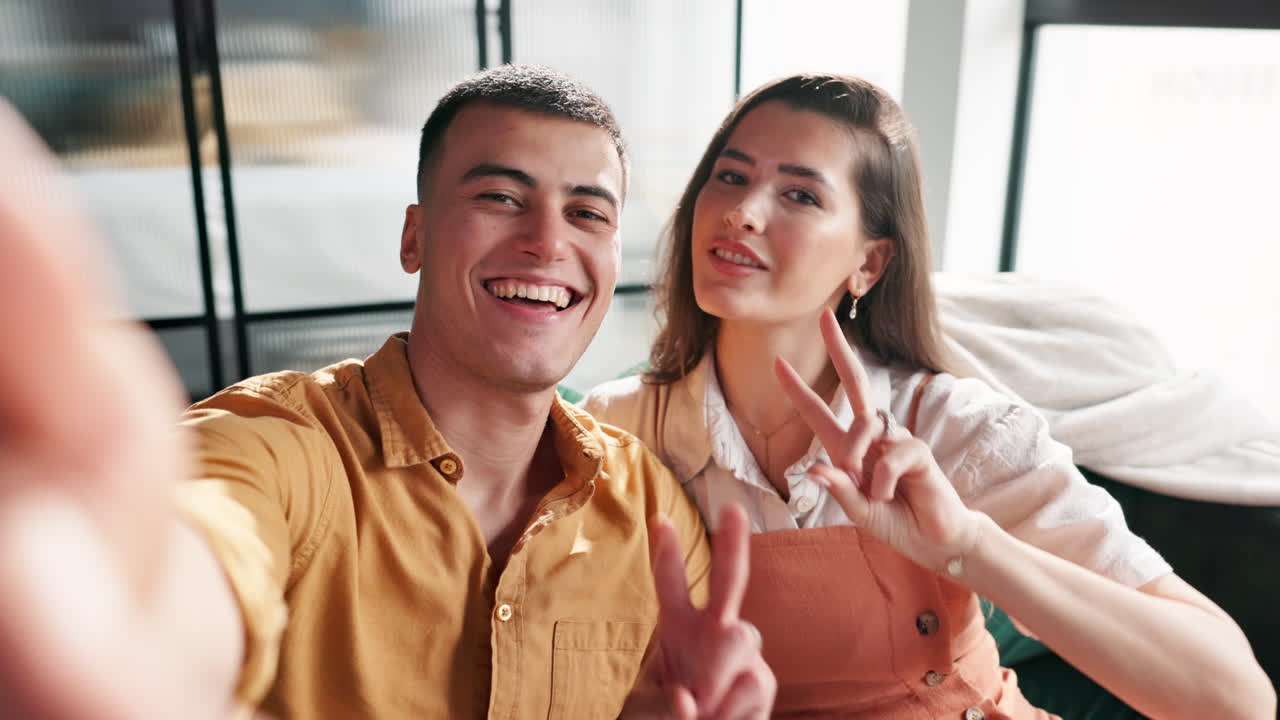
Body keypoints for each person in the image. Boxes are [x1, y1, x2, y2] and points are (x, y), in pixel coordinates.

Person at [0, 65, 775, 719]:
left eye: (586, 212)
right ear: (414, 237)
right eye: (500, 197)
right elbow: (193, 558)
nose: (548, 241)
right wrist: (98, 614)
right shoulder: (282, 448)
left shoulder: (652, 513)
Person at [584, 73, 1274, 719]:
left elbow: (1236, 701)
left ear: (869, 262)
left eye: (800, 194)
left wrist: (968, 546)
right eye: (730, 176)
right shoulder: (613, 432)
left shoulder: (956, 431)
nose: (741, 212)